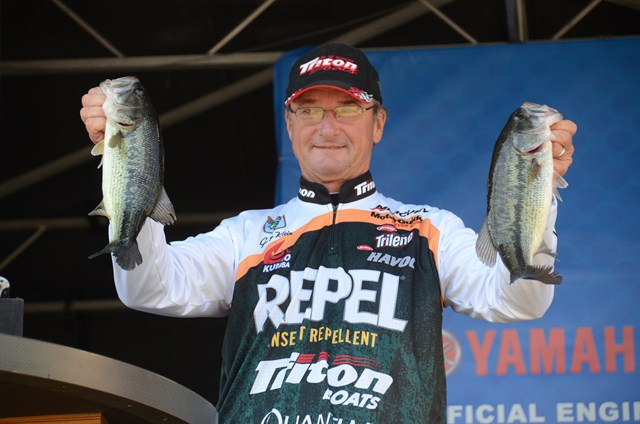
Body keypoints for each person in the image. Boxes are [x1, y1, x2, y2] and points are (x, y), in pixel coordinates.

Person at [80, 43, 576, 423]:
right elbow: (147, 287)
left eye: (347, 109)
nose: (327, 127)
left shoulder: (430, 229)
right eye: (310, 109)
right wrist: (128, 162)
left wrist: (539, 190)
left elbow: (518, 301)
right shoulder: (245, 235)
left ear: (378, 123)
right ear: (290, 122)